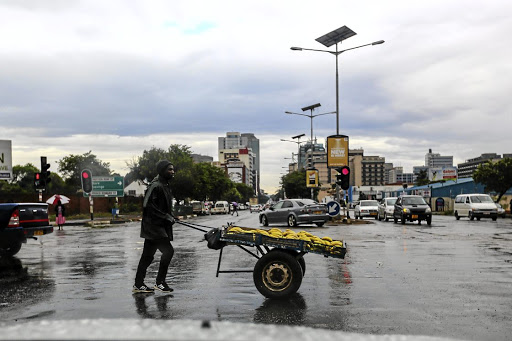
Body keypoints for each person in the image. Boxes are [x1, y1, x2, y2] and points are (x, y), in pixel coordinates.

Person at [133, 160, 176, 293]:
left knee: (147, 256)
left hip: (158, 226)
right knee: (168, 251)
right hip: (153, 227)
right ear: (162, 171)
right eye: (169, 169)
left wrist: (171, 216)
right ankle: (160, 282)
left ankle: (138, 284)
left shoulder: (165, 185)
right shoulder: (155, 186)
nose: (172, 172)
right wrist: (166, 217)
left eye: (173, 169)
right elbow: (148, 206)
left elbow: (163, 207)